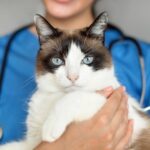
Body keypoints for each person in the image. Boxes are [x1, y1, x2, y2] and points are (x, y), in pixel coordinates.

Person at [0, 0, 149, 149]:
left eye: (87, 60)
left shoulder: (143, 59)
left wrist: (69, 106)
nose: (73, 76)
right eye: (58, 61)